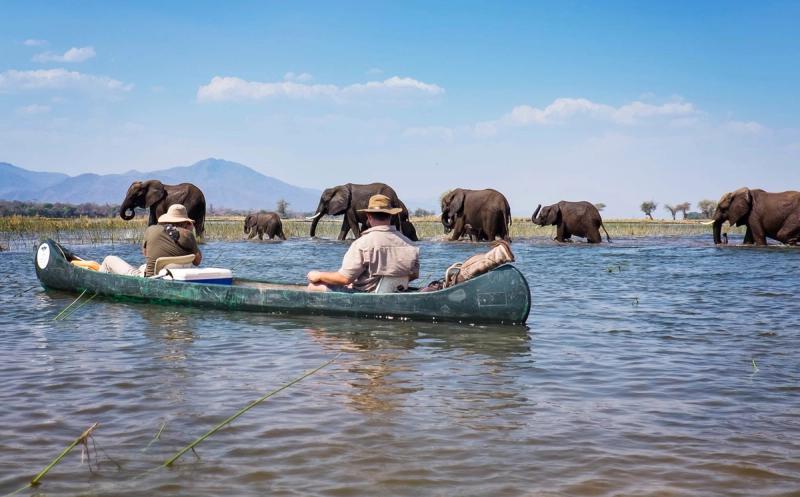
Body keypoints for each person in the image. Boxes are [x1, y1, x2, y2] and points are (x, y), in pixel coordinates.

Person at [307, 194, 419, 292]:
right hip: (396, 291)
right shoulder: (410, 244)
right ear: (390, 215)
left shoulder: (362, 243)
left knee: (314, 286)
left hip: (368, 293)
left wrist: (318, 275)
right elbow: (413, 275)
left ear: (369, 216)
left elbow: (345, 279)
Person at [100, 204, 202, 276]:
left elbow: (146, 254)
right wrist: (189, 231)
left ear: (167, 219)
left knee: (109, 259)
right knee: (142, 267)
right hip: (173, 277)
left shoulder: (151, 229)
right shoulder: (188, 235)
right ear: (186, 222)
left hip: (151, 277)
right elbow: (197, 262)